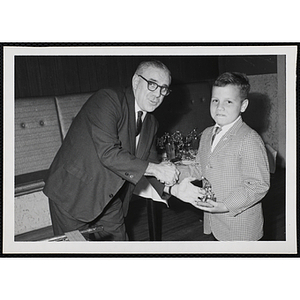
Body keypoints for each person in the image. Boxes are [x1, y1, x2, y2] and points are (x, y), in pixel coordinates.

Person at [43, 60, 203, 241]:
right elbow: (108, 153)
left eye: (163, 89)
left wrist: (174, 190)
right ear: (136, 81)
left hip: (110, 199)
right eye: (152, 85)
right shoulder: (108, 99)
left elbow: (147, 164)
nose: (158, 94)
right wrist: (157, 168)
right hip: (72, 194)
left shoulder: (151, 123)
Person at [178, 72, 270, 241]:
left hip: (240, 227)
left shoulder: (249, 139)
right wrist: (174, 172)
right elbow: (200, 167)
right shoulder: (206, 134)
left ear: (243, 105)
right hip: (215, 221)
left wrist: (224, 205)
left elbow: (258, 185)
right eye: (215, 100)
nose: (219, 107)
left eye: (228, 101)